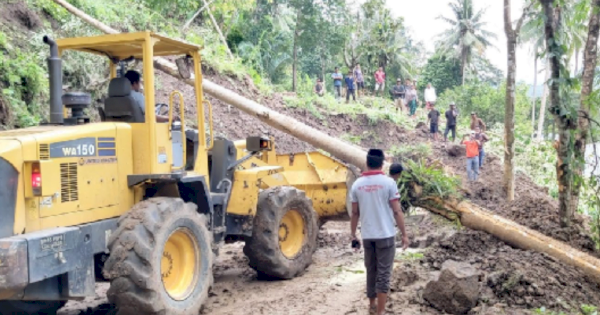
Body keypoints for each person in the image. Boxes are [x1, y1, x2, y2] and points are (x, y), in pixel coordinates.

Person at [351, 149, 408, 315]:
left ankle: (372, 305)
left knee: (371, 270)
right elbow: (397, 211)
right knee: (384, 272)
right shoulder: (389, 183)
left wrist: (353, 234)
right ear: (382, 163)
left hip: (368, 236)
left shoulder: (357, 184)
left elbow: (355, 213)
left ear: (367, 163)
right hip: (386, 235)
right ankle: (381, 311)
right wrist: (404, 234)